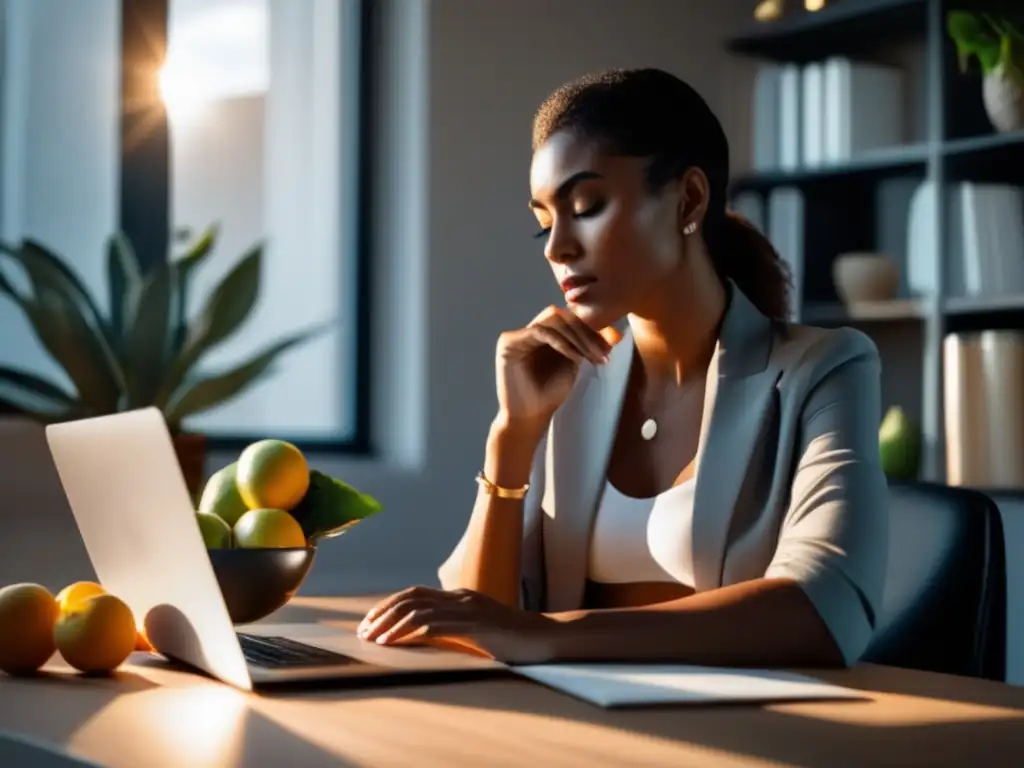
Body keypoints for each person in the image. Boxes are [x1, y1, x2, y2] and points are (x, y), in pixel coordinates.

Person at [357, 68, 889, 668]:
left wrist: (550, 635)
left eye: (586, 207)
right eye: (544, 221)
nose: (557, 248)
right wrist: (513, 435)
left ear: (688, 199)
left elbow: (823, 609)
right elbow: (484, 621)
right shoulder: (571, 380)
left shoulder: (823, 369)